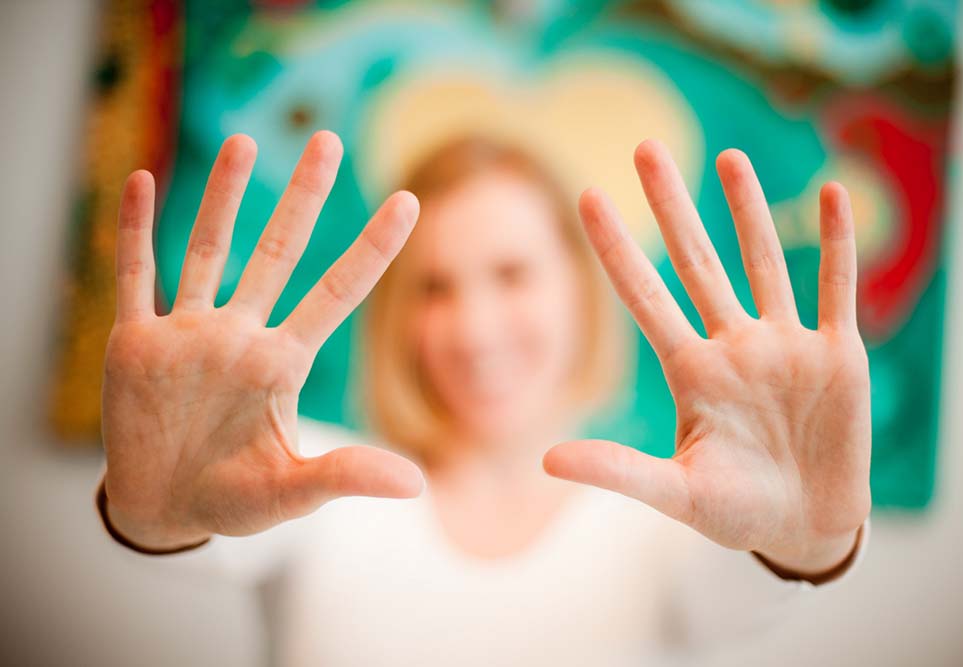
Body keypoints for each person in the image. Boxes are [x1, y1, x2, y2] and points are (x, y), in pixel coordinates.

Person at [96, 130, 871, 666]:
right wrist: (149, 510)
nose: (473, 329)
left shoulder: (674, 520)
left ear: (579, 286)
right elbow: (185, 526)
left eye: (510, 273)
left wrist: (811, 540)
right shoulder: (314, 474)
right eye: (435, 287)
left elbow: (756, 587)